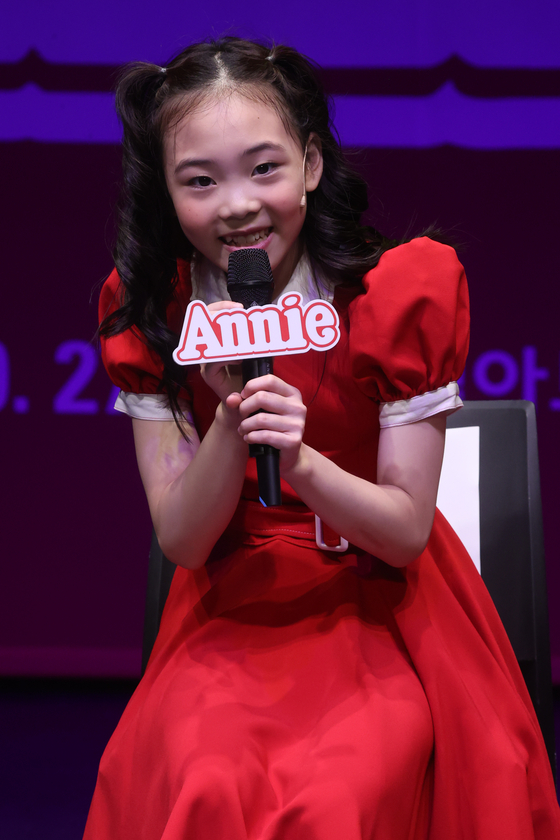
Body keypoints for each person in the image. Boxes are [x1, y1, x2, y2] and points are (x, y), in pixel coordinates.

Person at [84, 36, 560, 840]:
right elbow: (184, 540)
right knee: (207, 777)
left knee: (340, 792)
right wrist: (232, 425)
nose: (236, 205)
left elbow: (407, 532)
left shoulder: (397, 293)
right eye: (199, 181)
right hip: (231, 603)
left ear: (310, 165)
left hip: (377, 600)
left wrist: (300, 461)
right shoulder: (151, 315)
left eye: (264, 169)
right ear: (166, 193)